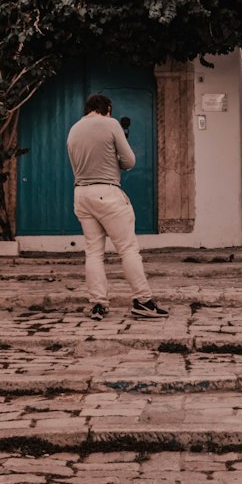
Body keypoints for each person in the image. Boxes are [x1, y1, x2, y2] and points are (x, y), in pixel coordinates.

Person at [66, 93, 168, 319]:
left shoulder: (74, 129)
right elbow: (129, 161)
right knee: (128, 249)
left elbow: (76, 165)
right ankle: (142, 301)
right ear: (108, 109)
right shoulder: (111, 124)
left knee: (93, 252)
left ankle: (98, 304)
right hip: (107, 192)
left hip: (81, 194)